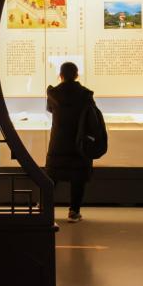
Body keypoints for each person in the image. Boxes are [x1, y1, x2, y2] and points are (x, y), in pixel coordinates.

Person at [46, 62, 100, 223]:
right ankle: (74, 211)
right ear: (77, 75)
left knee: (53, 176)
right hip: (79, 140)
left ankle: (44, 207)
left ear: (60, 75)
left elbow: (50, 109)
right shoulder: (85, 94)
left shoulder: (53, 94)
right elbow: (91, 115)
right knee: (78, 177)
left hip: (58, 141)